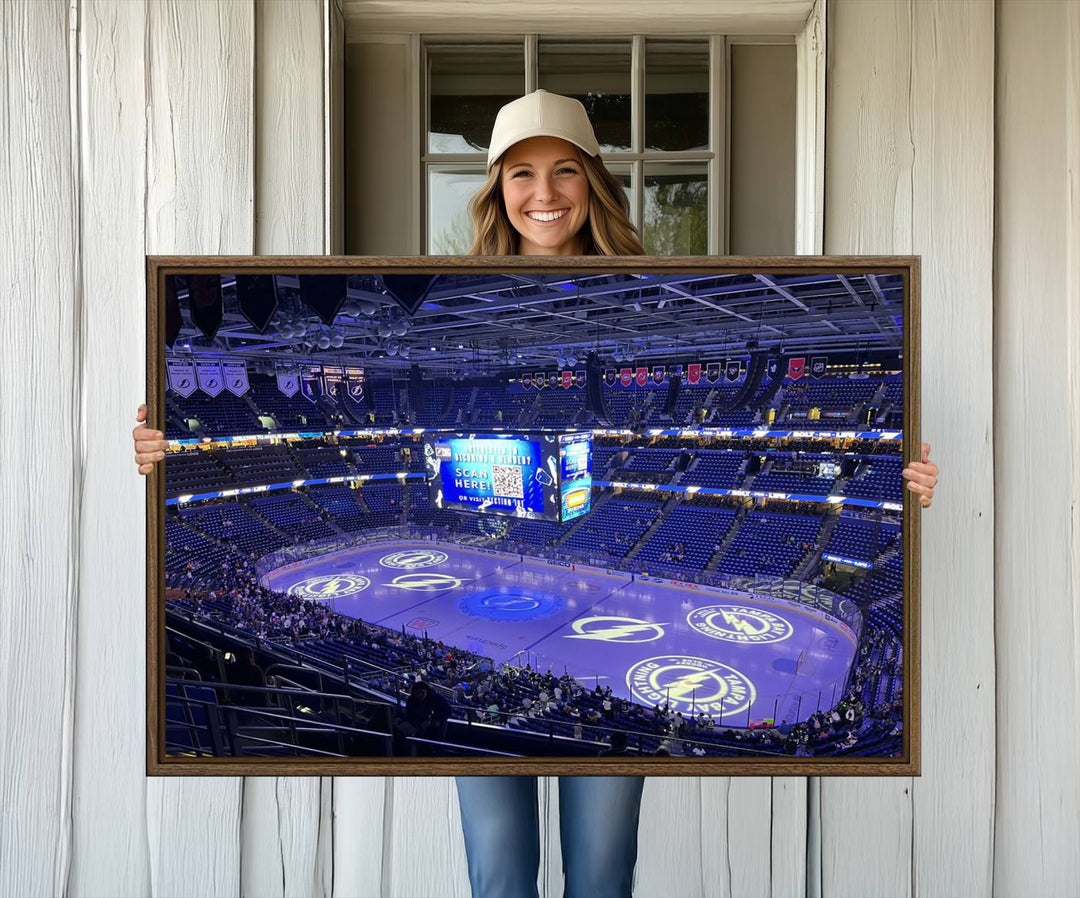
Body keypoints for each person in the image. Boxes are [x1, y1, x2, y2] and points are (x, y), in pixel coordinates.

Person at [132, 89, 940, 898]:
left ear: (594, 182)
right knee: (500, 873)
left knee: (599, 872)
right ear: (495, 189)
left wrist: (906, 477)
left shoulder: (664, 280)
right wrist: (159, 439)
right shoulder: (443, 283)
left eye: (564, 172)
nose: (544, 193)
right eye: (521, 173)